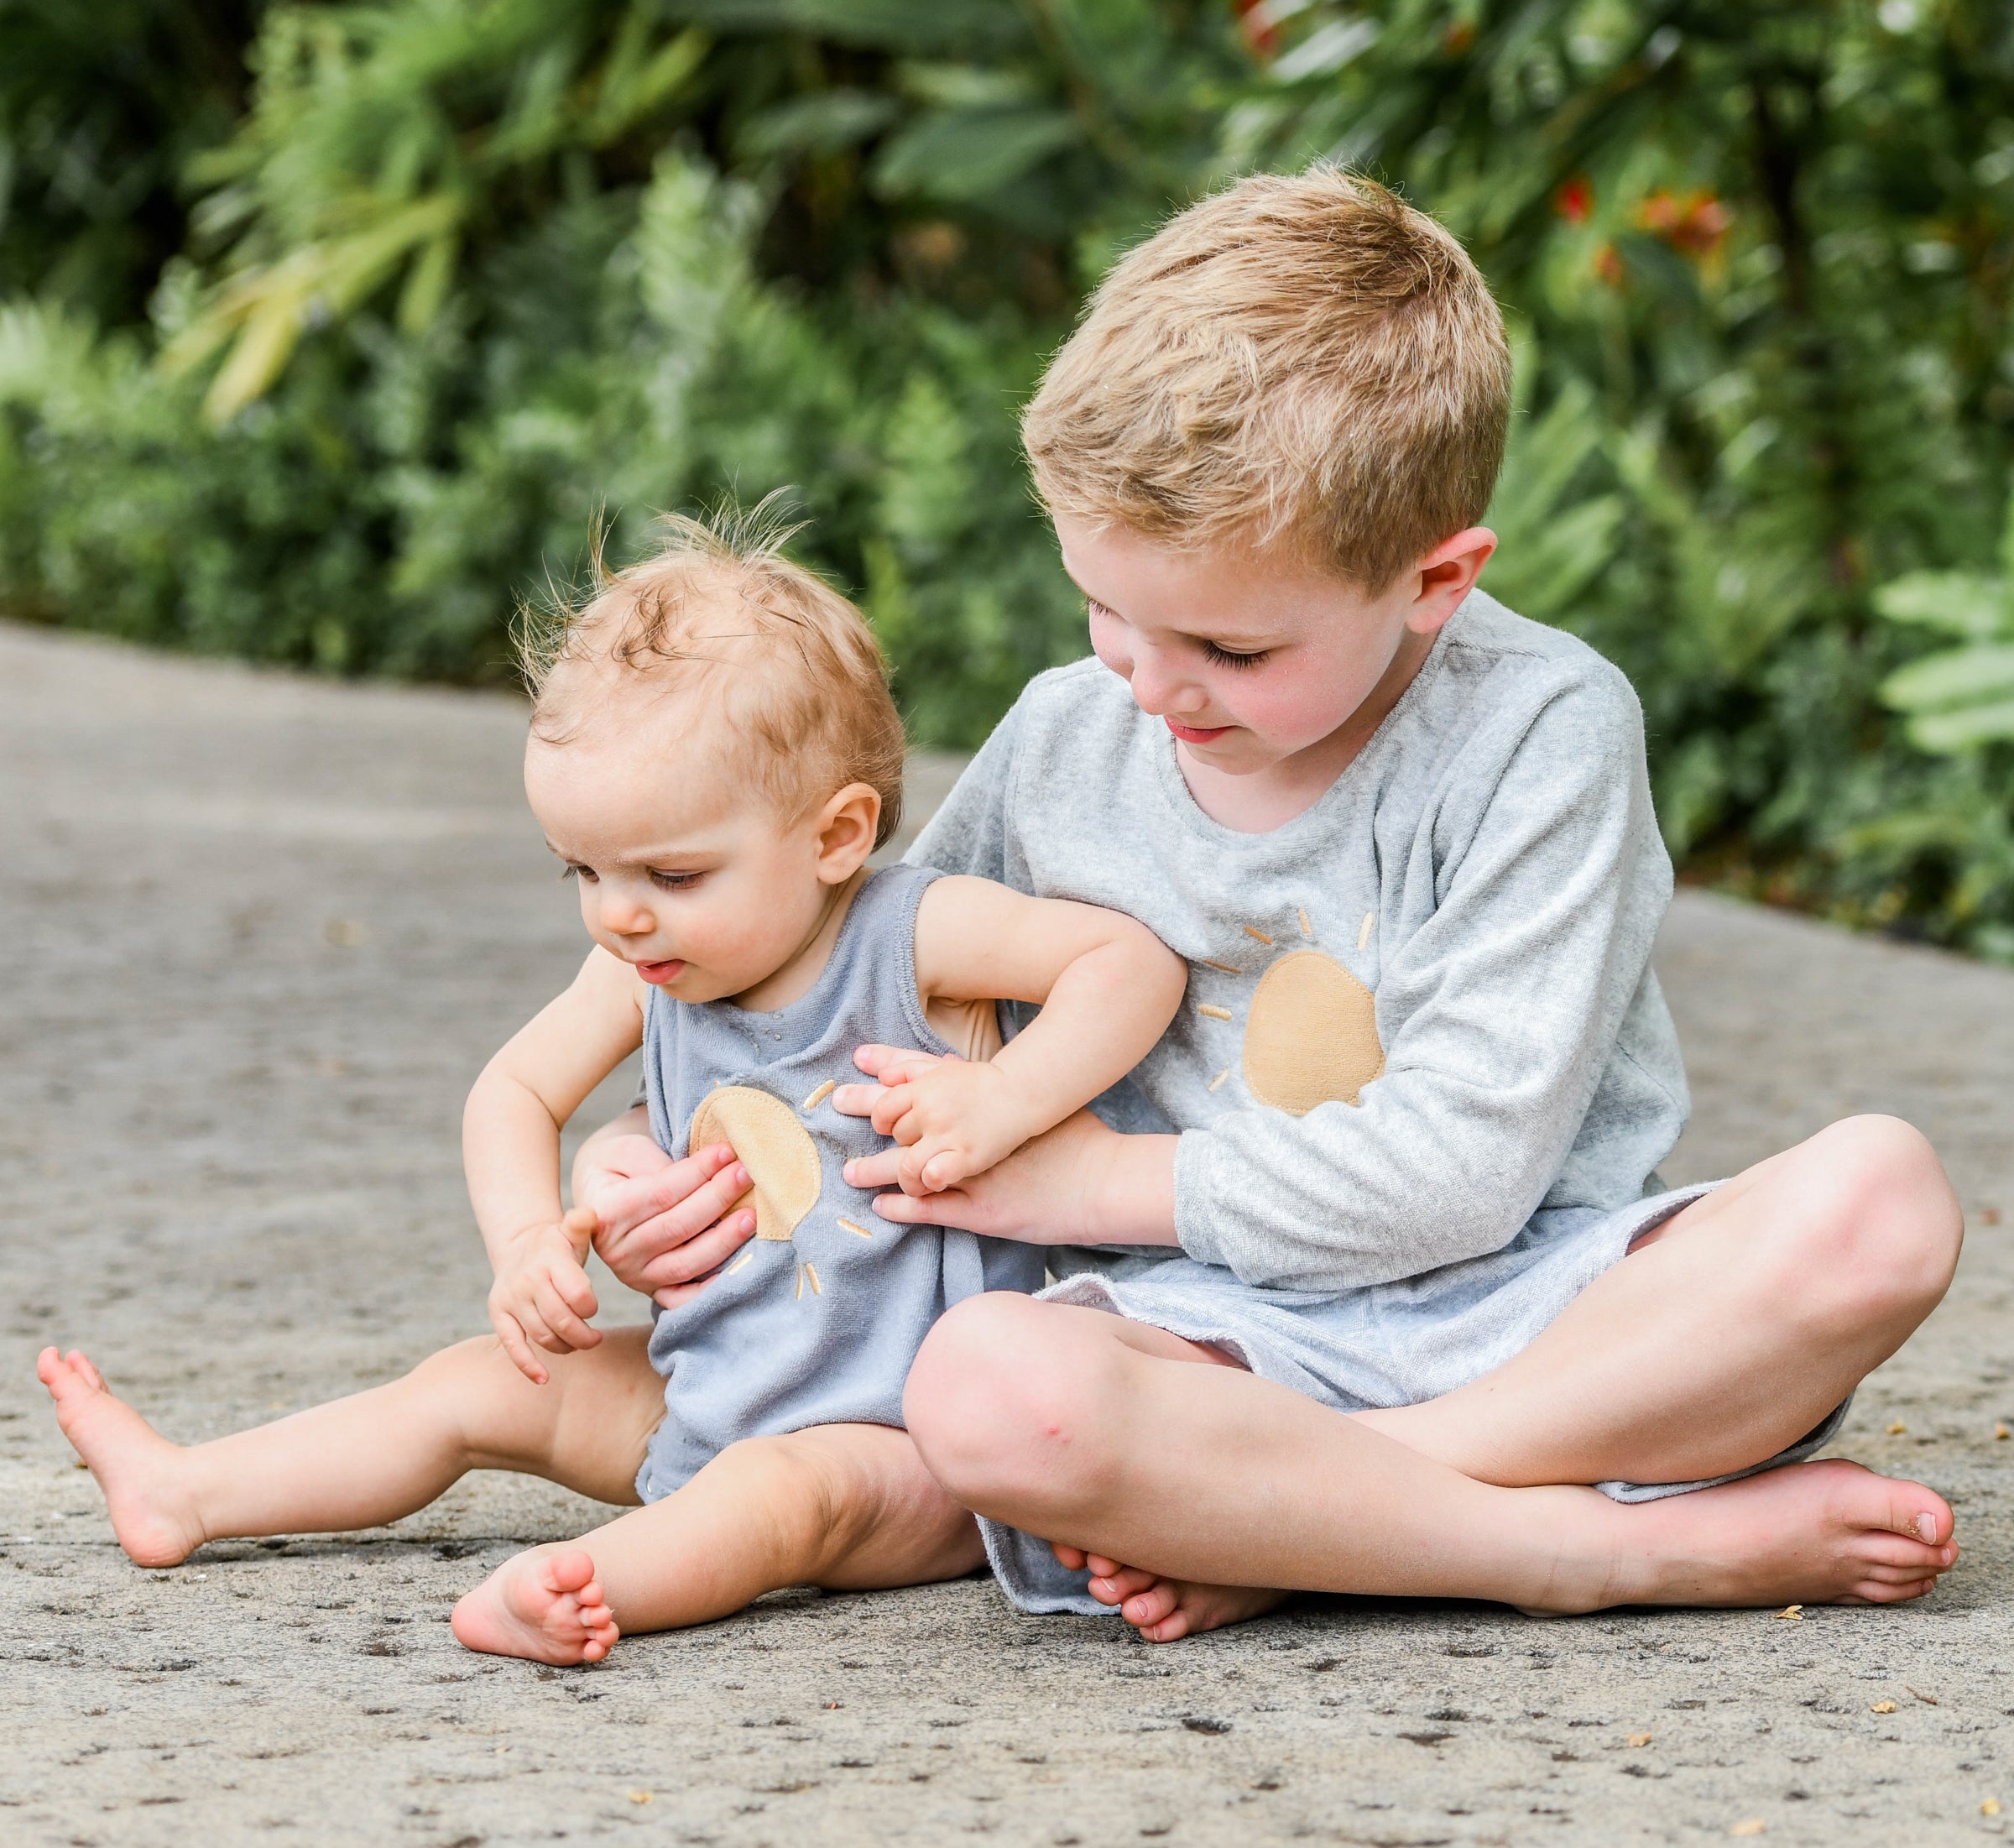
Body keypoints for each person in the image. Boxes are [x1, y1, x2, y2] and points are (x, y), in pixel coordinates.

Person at [571, 171, 1965, 1642]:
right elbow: (832, 995)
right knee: (986, 1388)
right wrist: (640, 1160)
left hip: (1542, 1319)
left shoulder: (1541, 730)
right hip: (1205, 1354)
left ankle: (1349, 1523)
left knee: (1879, 1200)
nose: (1151, 682)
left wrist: (1103, 1187)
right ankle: (1589, 1550)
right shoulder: (1065, 740)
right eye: (1105, 610)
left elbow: (1468, 1170)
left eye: (1229, 647)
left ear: (1435, 577)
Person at [37, 517, 1187, 1665]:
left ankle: (587, 1585)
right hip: (699, 1391)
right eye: (582, 870)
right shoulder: (647, 967)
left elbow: (1129, 964)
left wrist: (1006, 1099)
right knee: (475, 1386)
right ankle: (186, 1491)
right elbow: (512, 1092)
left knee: (782, 1498)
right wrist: (528, 1243)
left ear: (836, 835)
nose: (619, 913)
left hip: (905, 1452)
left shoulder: (913, 934)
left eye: (672, 874)